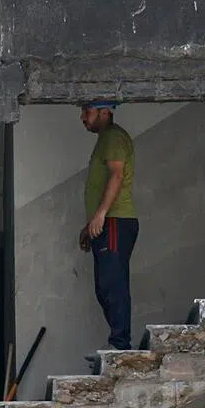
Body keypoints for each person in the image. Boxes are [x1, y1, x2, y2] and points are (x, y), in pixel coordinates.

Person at [78, 101, 138, 351]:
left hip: (115, 222)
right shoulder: (105, 139)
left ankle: (120, 345)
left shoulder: (113, 138)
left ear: (105, 111)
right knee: (104, 287)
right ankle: (119, 342)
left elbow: (116, 175)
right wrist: (91, 223)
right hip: (107, 223)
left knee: (112, 284)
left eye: (87, 111)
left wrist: (101, 215)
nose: (83, 117)